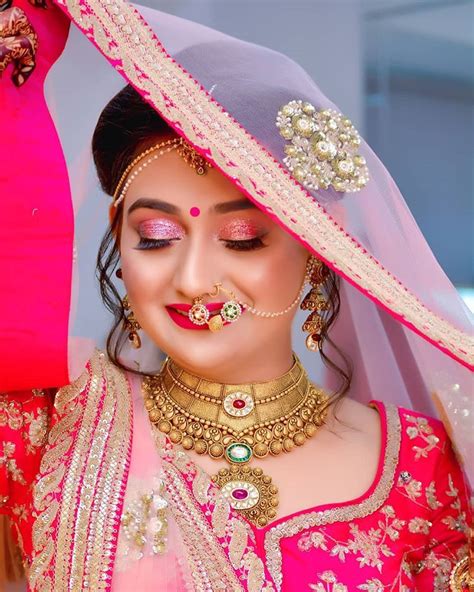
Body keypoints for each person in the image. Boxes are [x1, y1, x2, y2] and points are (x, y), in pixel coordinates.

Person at [0, 1, 472, 591]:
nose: (194, 279)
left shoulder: (418, 467)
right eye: (156, 238)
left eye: (243, 239)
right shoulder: (50, 420)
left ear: (319, 245)